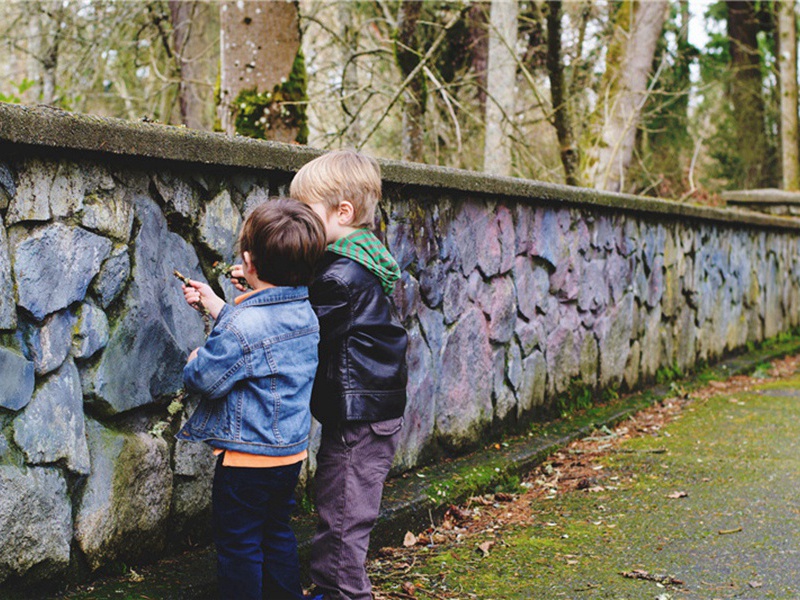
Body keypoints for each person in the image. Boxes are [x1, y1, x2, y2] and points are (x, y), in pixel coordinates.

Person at [177, 197, 327, 600]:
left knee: (239, 544)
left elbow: (206, 379)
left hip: (247, 461)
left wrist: (195, 359)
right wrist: (216, 304)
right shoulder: (304, 311)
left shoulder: (245, 326)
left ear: (248, 262)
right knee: (275, 532)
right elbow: (260, 337)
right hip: (289, 456)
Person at [292, 150, 409, 600]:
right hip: (368, 411)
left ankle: (341, 594)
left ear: (342, 212)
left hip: (359, 416)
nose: (300, 224)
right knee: (343, 511)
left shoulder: (339, 277)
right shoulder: (361, 260)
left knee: (341, 518)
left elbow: (303, 334)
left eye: (307, 214)